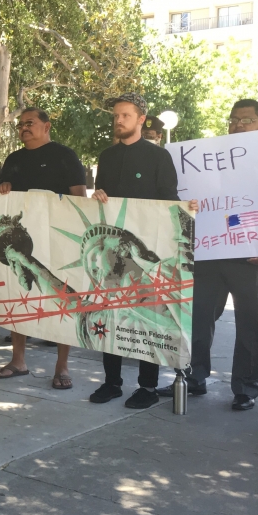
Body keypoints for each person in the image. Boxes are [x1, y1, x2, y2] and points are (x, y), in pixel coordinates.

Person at [89, 93, 196, 409]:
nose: (118, 120)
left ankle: (147, 387)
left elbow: (169, 199)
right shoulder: (106, 157)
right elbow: (103, 197)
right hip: (112, 254)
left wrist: (186, 209)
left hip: (146, 253)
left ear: (140, 119)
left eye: (124, 115)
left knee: (145, 318)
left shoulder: (158, 157)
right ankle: (112, 383)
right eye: (116, 115)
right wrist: (98, 195)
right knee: (111, 313)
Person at [157, 99, 258, 411]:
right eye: (233, 119)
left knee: (251, 324)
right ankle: (192, 376)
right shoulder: (208, 158)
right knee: (198, 318)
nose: (238, 125)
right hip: (208, 253)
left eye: (246, 120)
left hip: (250, 258)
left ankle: (246, 387)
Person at [0, 107, 87, 389]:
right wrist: (3, 186)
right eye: (20, 124)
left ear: (46, 126)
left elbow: (79, 198)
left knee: (60, 294)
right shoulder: (14, 159)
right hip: (22, 243)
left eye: (29, 123)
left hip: (58, 240)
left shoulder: (65, 155)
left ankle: (62, 365)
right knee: (20, 294)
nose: (23, 128)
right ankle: (18, 361)